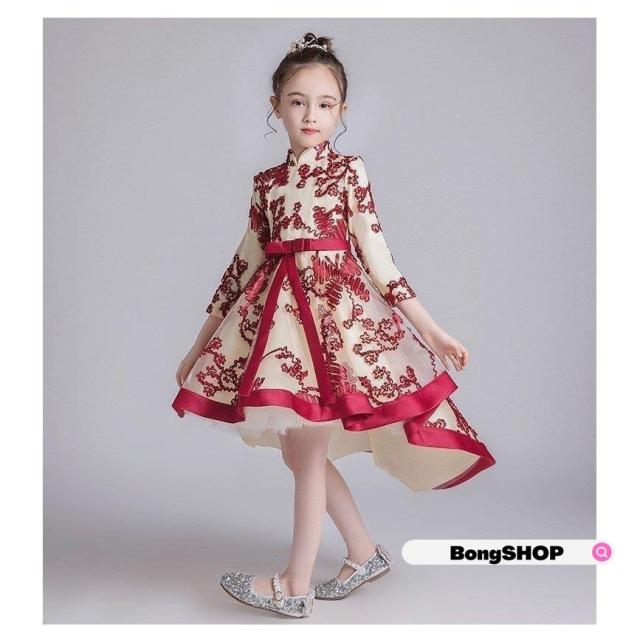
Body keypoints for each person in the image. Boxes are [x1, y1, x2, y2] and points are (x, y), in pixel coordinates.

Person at [172, 32, 496, 619]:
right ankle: (363, 553)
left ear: (342, 110)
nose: (311, 115)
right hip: (280, 331)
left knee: (306, 452)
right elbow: (241, 266)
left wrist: (433, 330)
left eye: (325, 104)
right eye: (297, 101)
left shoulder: (349, 172)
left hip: (334, 331)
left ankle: (294, 584)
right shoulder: (267, 185)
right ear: (275, 106)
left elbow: (379, 258)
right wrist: (198, 348)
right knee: (300, 456)